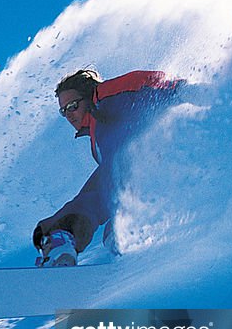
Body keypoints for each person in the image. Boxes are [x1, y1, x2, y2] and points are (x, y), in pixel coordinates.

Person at [33, 68, 184, 266]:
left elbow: (147, 84)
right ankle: (140, 254)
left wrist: (185, 91)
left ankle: (62, 238)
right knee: (115, 231)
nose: (69, 115)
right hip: (160, 183)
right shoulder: (99, 138)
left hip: (170, 155)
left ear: (88, 97)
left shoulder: (105, 96)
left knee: (112, 176)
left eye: (72, 106)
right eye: (64, 111)